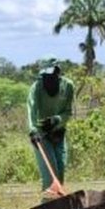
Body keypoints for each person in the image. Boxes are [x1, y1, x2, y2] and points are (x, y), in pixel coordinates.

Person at [27, 56, 75, 196]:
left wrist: (56, 120)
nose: (48, 79)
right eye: (45, 76)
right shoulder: (37, 88)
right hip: (41, 136)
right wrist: (33, 131)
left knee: (59, 173)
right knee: (50, 175)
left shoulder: (68, 86)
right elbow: (31, 110)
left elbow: (68, 112)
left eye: (51, 75)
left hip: (59, 134)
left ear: (58, 72)